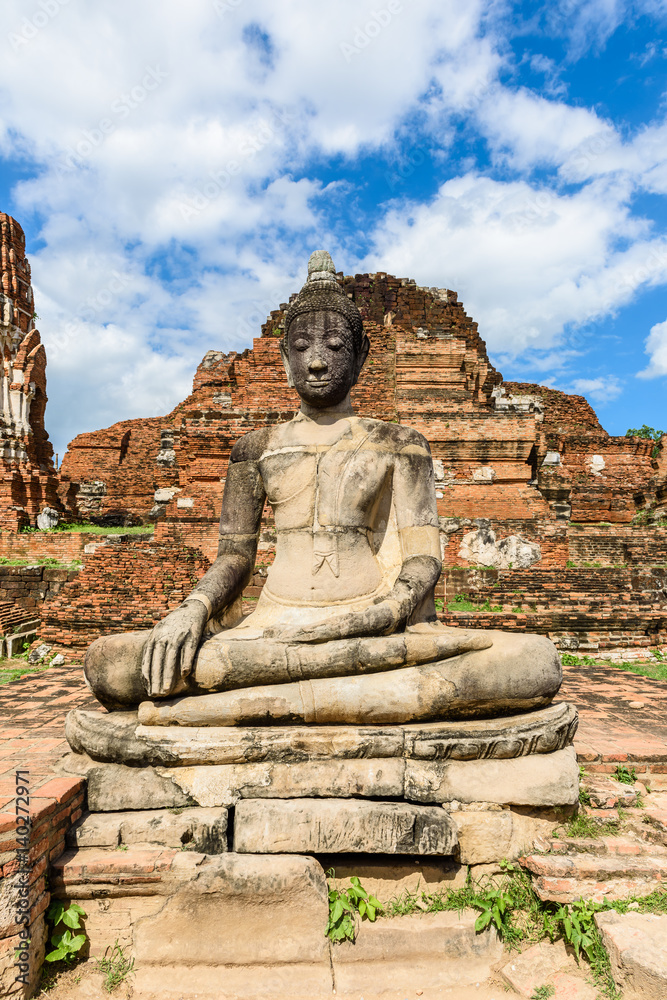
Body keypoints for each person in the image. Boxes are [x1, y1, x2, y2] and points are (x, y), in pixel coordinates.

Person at [84, 252, 561, 726]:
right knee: (112, 665)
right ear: (284, 356)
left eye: (334, 345)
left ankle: (243, 709)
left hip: (373, 625)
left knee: (531, 663)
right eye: (302, 346)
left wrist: (391, 608)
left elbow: (423, 557)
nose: (316, 362)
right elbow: (234, 558)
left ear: (361, 355)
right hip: (273, 628)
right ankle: (348, 701)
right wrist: (192, 610)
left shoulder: (399, 444)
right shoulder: (255, 450)